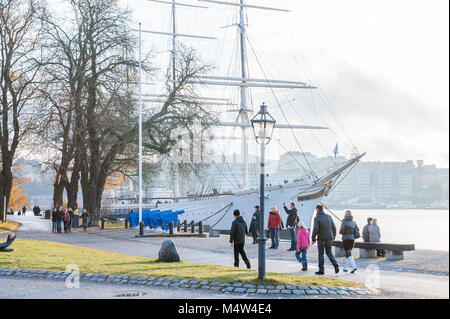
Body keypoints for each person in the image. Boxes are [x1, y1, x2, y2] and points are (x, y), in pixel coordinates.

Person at [311, 204, 339, 275]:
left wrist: (313, 239)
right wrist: (334, 236)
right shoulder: (329, 217)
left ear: (317, 209)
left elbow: (315, 229)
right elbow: (334, 228)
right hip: (329, 237)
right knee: (329, 252)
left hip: (321, 238)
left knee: (321, 254)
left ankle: (321, 270)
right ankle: (335, 264)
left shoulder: (316, 218)